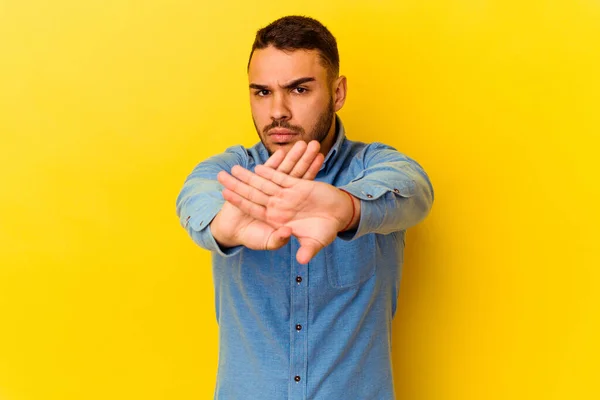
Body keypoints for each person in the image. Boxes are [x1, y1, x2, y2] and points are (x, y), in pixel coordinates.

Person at [176, 15, 434, 400]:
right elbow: (193, 197)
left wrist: (346, 207)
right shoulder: (232, 173)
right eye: (262, 92)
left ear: (338, 92)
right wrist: (222, 224)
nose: (277, 110)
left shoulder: (375, 167)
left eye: (298, 89)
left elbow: (414, 191)